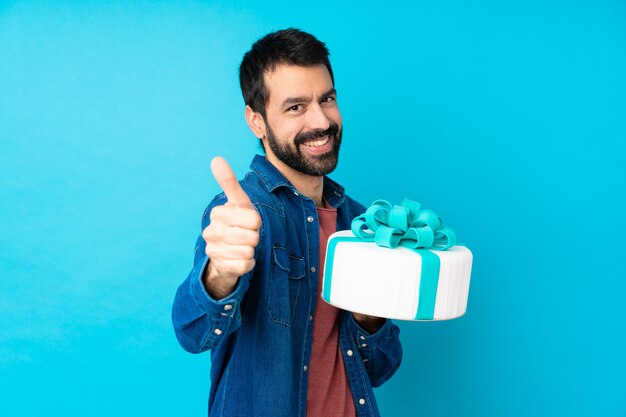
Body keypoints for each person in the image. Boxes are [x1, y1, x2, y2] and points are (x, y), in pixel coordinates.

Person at [172, 28, 402, 417]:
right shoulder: (241, 215)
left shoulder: (362, 222)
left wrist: (369, 314)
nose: (321, 121)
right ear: (257, 121)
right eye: (295, 107)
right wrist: (219, 275)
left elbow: (382, 367)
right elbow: (192, 332)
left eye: (326, 99)